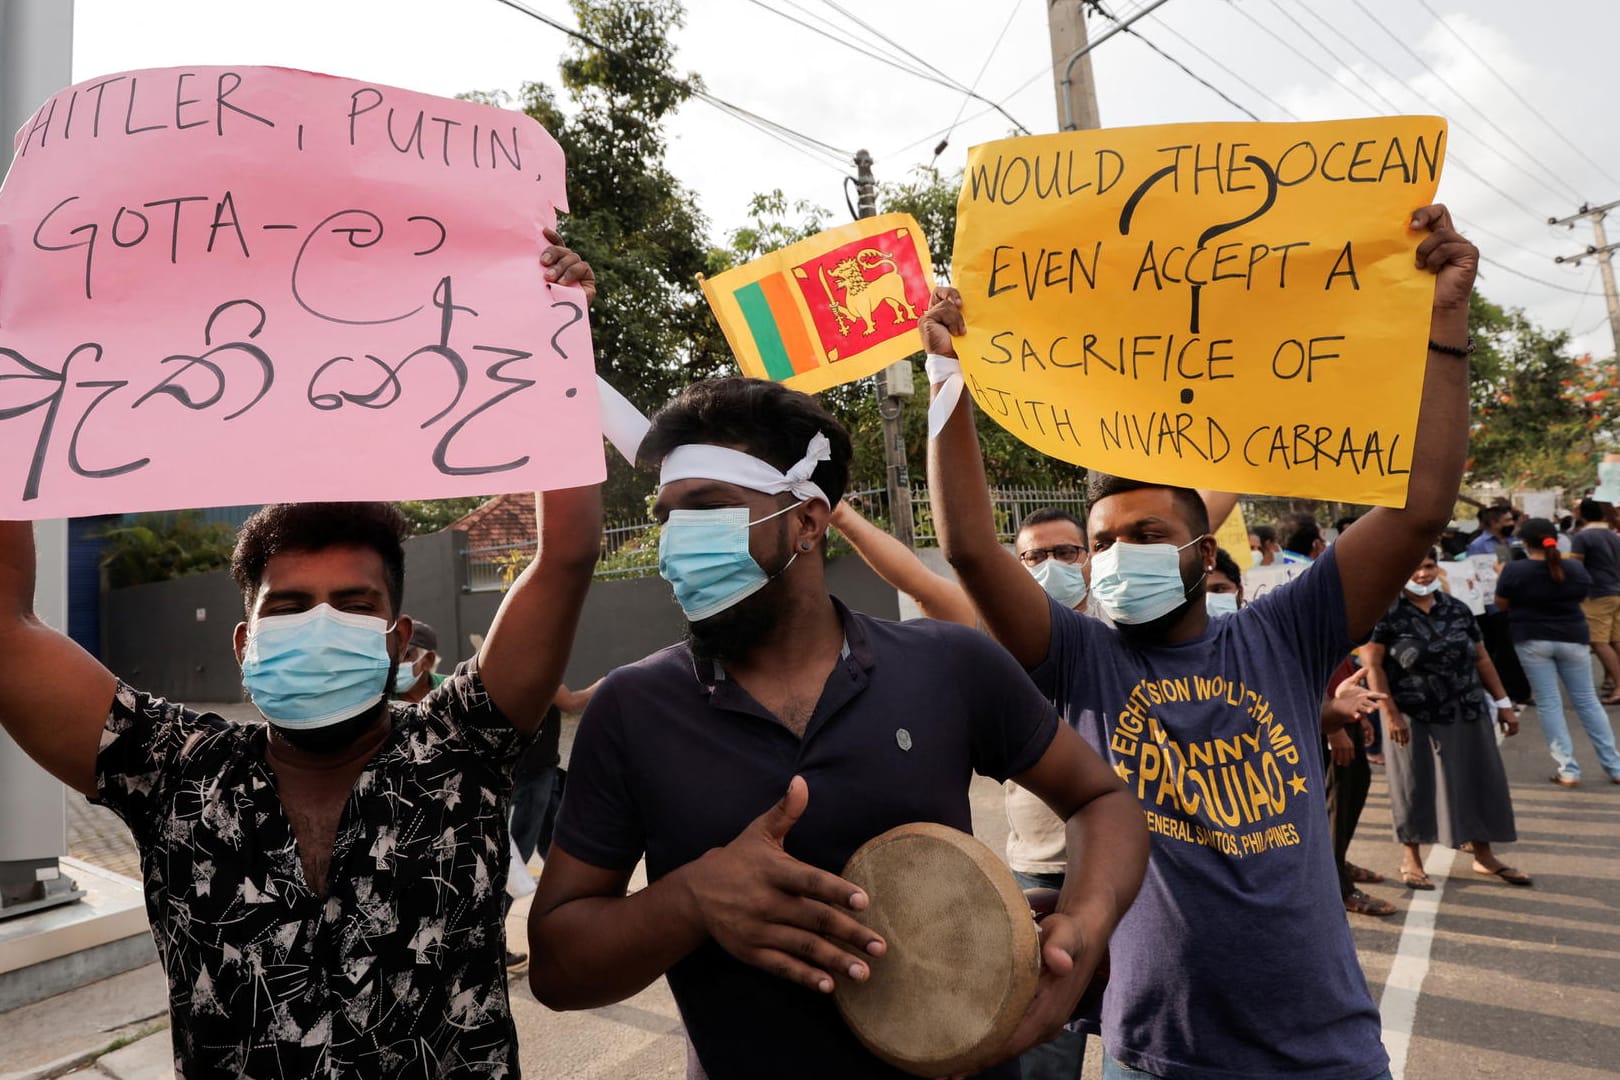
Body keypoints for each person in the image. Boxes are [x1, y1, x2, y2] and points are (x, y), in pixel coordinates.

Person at [0, 239, 601, 1078]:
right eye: (287, 606)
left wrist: (554, 337)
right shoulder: (172, 769)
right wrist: (14, 364)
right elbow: (7, 631)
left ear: (399, 639)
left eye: (354, 604)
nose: (320, 623)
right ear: (245, 644)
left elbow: (566, 552)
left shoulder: (458, 750)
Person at [924, 203, 1476, 1080]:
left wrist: (1444, 329)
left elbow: (1420, 508)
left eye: (1143, 536)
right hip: (1155, 1056)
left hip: (1325, 1050)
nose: (1115, 557)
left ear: (1202, 553)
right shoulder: (1079, 659)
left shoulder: (1286, 632)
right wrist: (947, 381)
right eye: (1103, 541)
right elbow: (968, 549)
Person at [527, 378, 1149, 1080]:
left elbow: (1104, 802)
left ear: (808, 521)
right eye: (667, 517)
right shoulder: (634, 707)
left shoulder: (949, 664)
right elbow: (555, 966)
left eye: (706, 510)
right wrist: (689, 899)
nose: (675, 544)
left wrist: (1086, 926)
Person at [1361, 550, 1529, 889]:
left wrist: (1503, 703)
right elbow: (1373, 667)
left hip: (1466, 707)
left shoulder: (1457, 609)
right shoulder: (1385, 613)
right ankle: (1412, 858)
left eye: (1427, 566)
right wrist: (1389, 713)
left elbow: (1481, 658)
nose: (1422, 574)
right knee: (1413, 783)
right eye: (1413, 567)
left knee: (1478, 780)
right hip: (1412, 713)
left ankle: (1484, 854)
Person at [1494, 518, 1620, 786]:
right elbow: (1581, 595)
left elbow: (1501, 604)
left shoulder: (1514, 570)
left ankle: (1568, 769)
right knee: (1588, 701)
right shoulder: (1574, 568)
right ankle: (1615, 766)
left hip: (1531, 639)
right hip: (1573, 637)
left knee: (1550, 703)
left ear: (1525, 543)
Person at [1568, 498, 1620, 703]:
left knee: (1598, 642)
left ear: (1582, 513)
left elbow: (1575, 567)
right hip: (1616, 591)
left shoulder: (1582, 537)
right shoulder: (1614, 536)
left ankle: (1618, 685)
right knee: (1615, 640)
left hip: (1595, 593)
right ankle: (1610, 680)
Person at [391, 618, 445, 702]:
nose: (396, 662)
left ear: (428, 660)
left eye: (406, 655)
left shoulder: (454, 691)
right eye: (391, 655)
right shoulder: (378, 700)